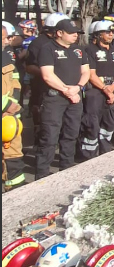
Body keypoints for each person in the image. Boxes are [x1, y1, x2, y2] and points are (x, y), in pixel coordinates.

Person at [34, 18, 89, 180]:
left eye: (77, 33)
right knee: (49, 136)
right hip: (55, 98)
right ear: (59, 33)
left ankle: (66, 167)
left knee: (71, 133)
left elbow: (85, 72)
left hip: (75, 97)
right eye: (71, 33)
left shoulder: (79, 50)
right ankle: (42, 173)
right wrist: (67, 91)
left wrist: (78, 87)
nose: (75, 36)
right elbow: (47, 75)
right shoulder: (47, 49)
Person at [79, 20, 114, 159]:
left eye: (113, 32)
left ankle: (105, 150)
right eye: (108, 32)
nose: (111, 35)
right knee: (92, 121)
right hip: (95, 90)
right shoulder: (89, 50)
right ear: (98, 35)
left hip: (113, 88)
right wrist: (105, 89)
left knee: (109, 120)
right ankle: (88, 154)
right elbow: (91, 74)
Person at [23, 12, 69, 144]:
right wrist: (49, 74)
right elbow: (30, 66)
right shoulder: (38, 44)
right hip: (42, 89)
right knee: (44, 122)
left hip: (63, 89)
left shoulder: (64, 43)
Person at [2, 23, 25, 190]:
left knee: (14, 157)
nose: (6, 41)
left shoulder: (5, 57)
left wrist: (14, 104)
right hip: (6, 112)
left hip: (9, 119)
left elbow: (15, 83)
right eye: (3, 38)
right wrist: (7, 105)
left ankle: (15, 192)